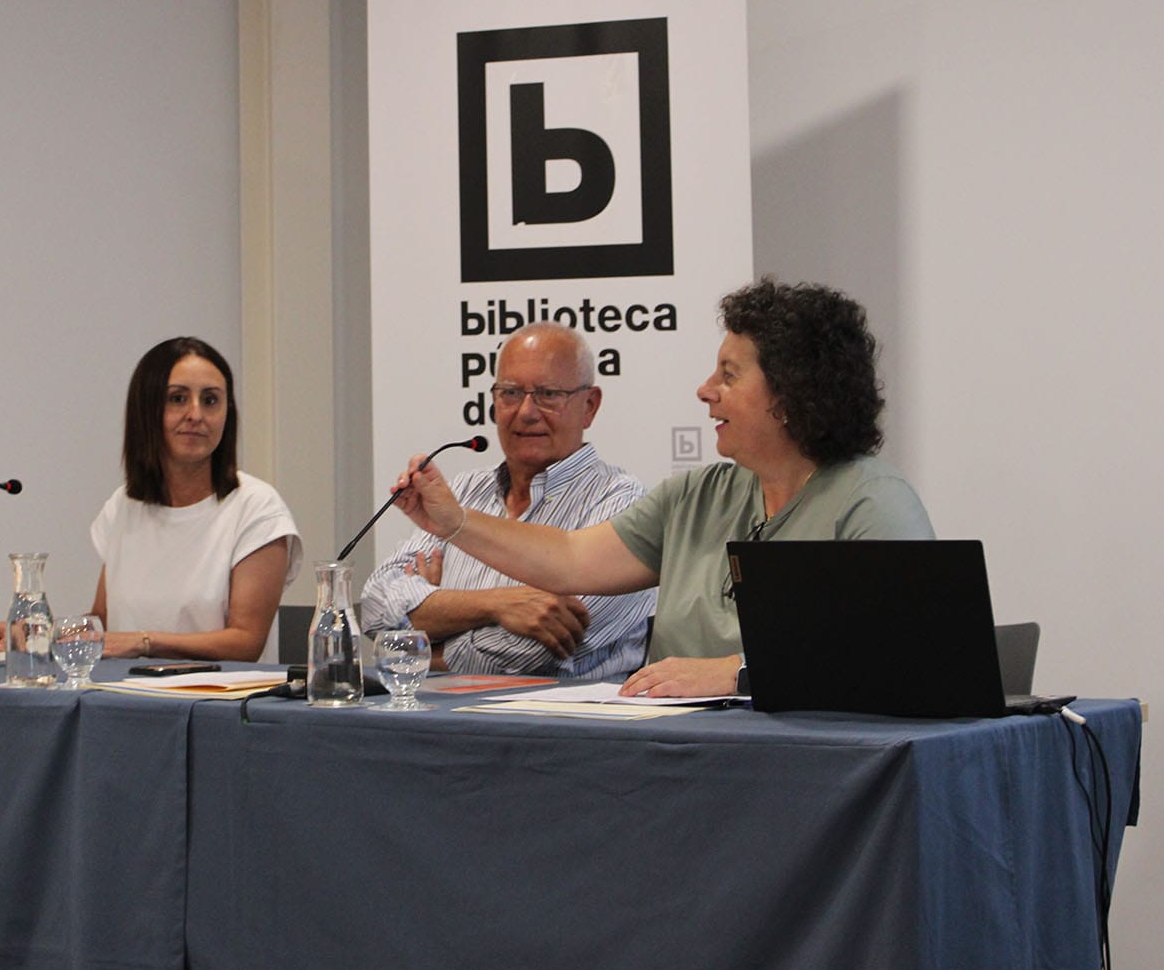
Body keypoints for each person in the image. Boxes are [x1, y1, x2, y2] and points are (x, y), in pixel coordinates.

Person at [389, 279, 932, 699]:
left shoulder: (871, 501)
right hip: (681, 753)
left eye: (728, 374)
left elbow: (899, 653)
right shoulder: (696, 496)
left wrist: (735, 672)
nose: (705, 390)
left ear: (791, 395)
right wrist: (453, 522)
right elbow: (571, 559)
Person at [0, 336, 301, 662]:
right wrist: (33, 631)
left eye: (210, 400)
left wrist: (143, 642)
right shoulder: (123, 506)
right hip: (125, 698)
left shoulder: (257, 508)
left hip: (217, 707)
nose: (196, 414)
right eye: (177, 398)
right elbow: (101, 624)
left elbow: (245, 642)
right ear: (146, 411)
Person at [360, 322, 655, 679]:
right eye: (511, 393)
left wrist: (416, 639)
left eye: (548, 394)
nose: (526, 412)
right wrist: (497, 605)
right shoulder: (467, 490)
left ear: (590, 406)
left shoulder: (619, 502)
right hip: (439, 721)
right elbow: (375, 605)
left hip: (560, 726)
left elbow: (531, 654)